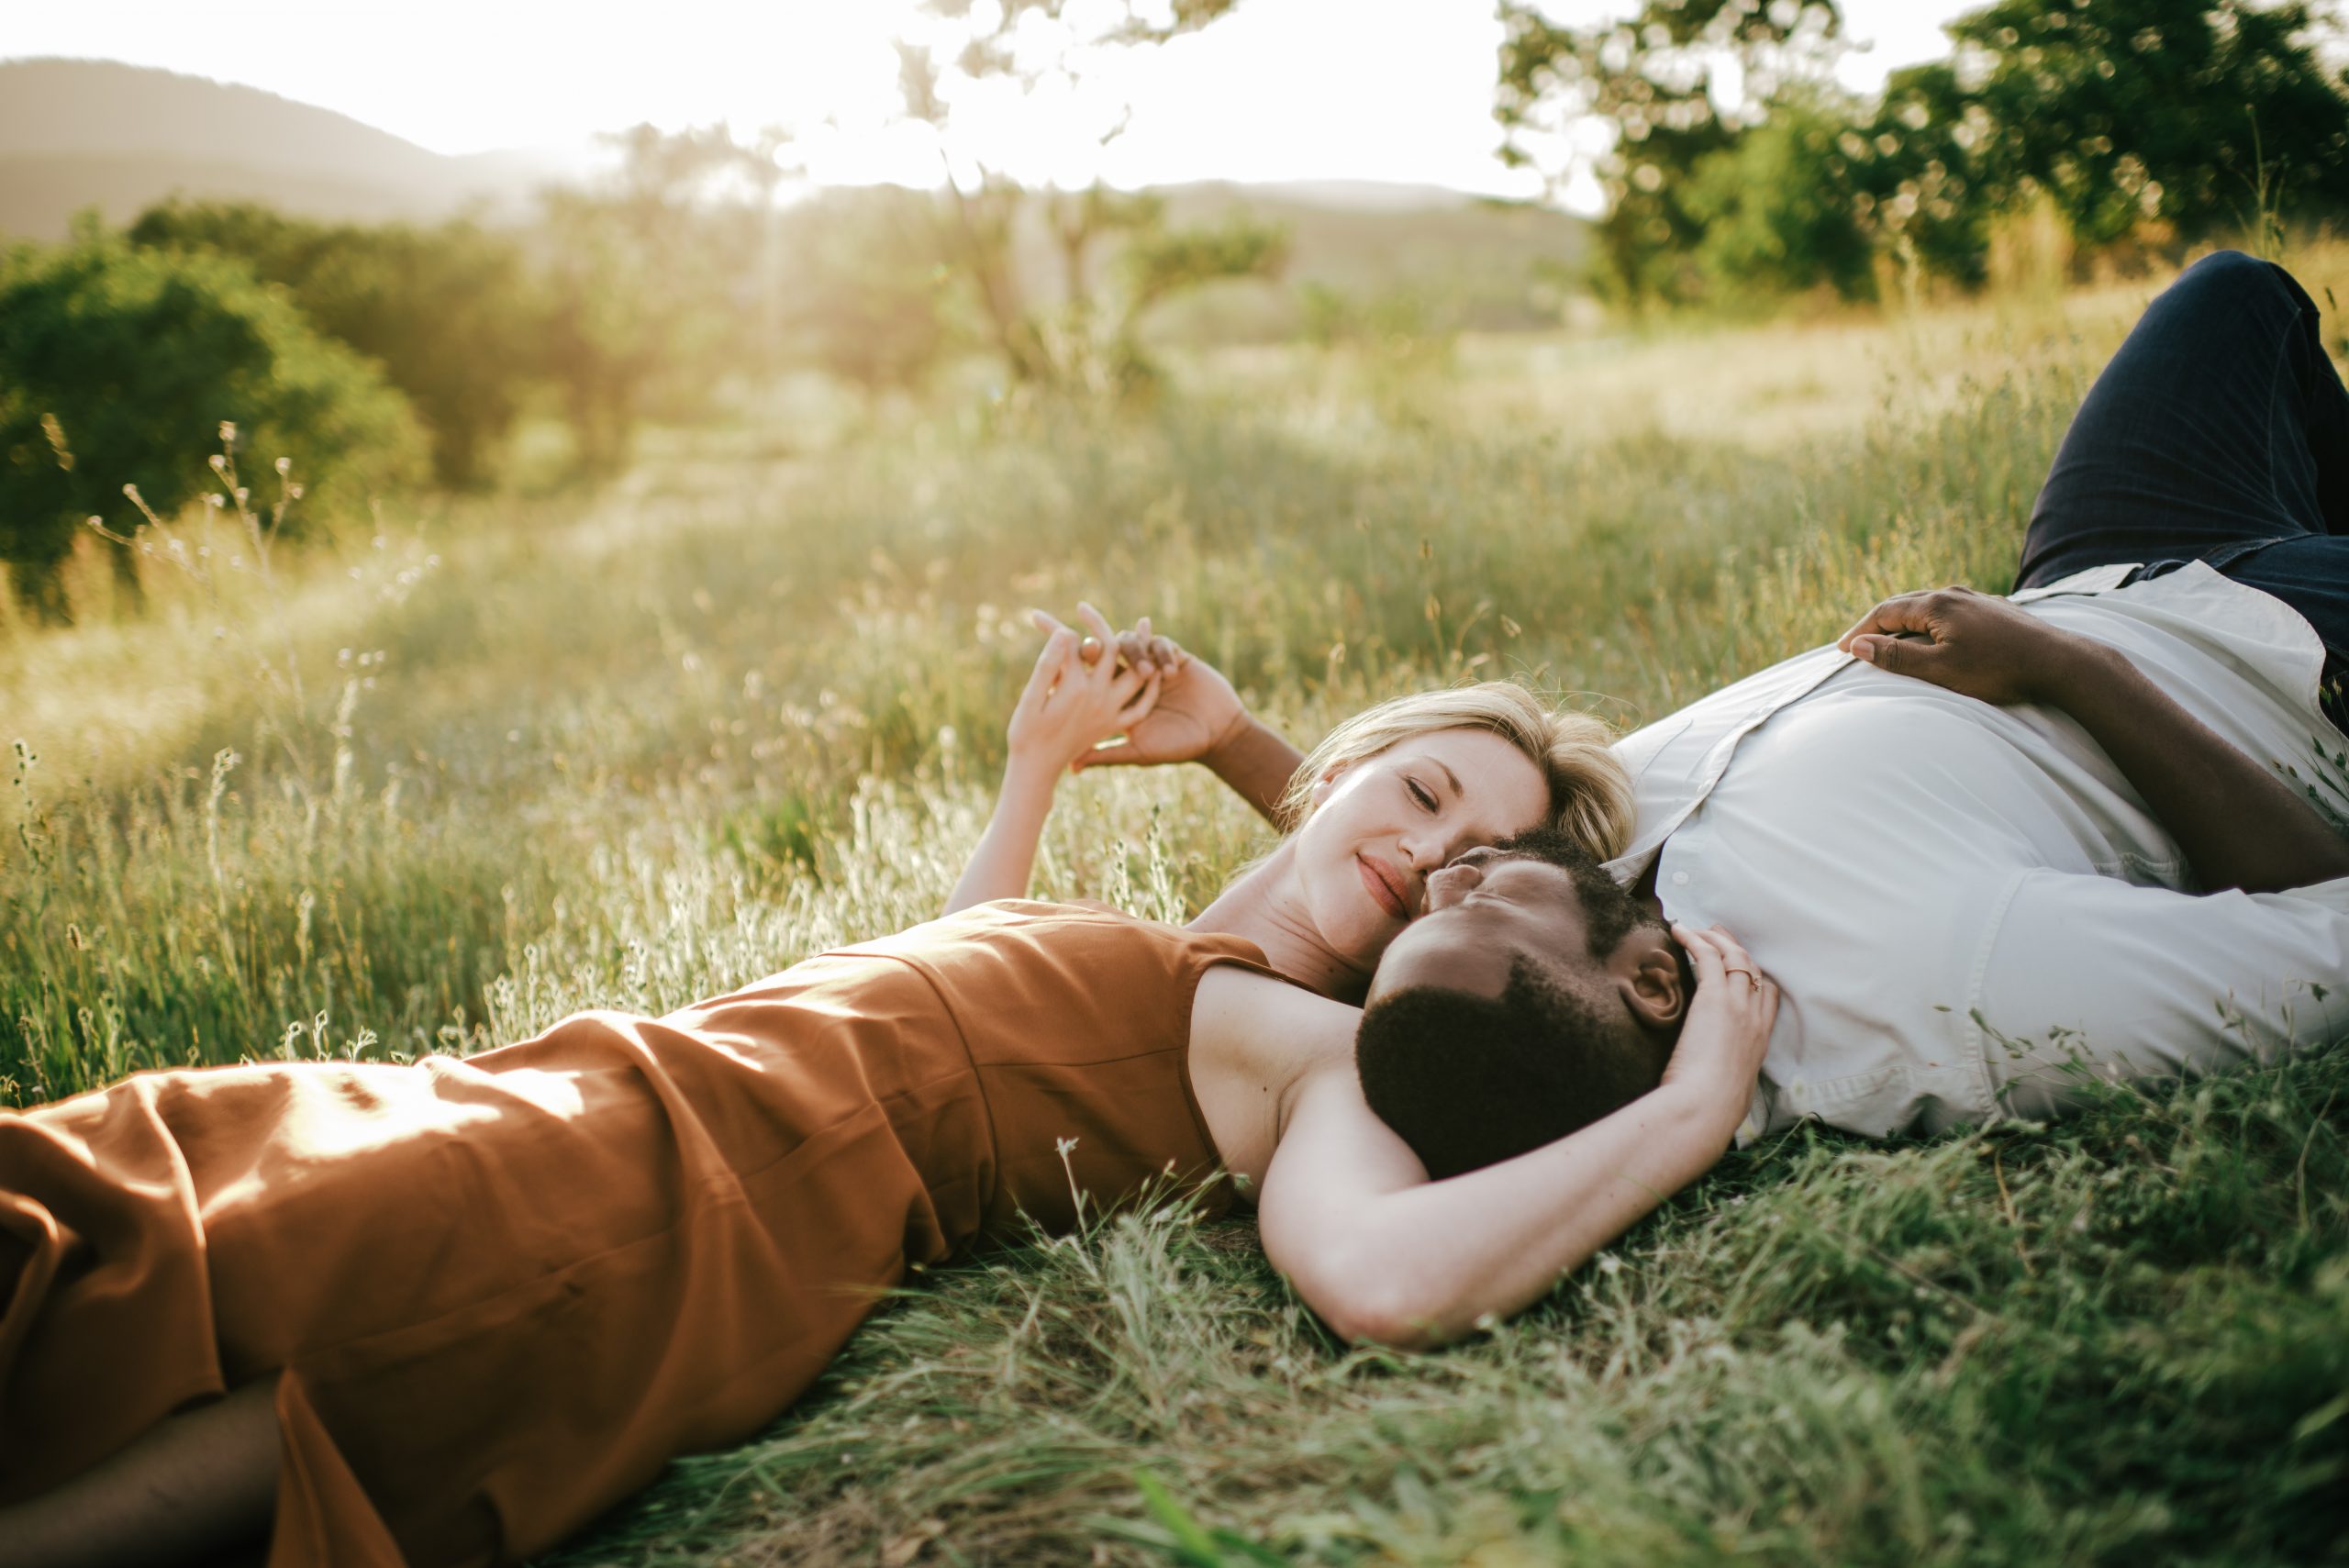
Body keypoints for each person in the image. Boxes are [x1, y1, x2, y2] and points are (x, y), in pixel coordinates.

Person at [0, 610, 1779, 1568]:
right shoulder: (1203, 955)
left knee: (254, 1318)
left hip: (674, 1180)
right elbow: (953, 965)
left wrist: (1690, 1103)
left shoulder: (1310, 1057)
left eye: (1470, 862)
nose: (1421, 855)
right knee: (164, 1236)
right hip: (616, 1089)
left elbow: (1382, 1277)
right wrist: (1058, 763)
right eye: (1417, 794)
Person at [1120, 250, 2349, 1163]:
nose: (1451, 876)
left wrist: (1232, 741)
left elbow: (1394, 852)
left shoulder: (1575, 904)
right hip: (2286, 662)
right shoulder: (1939, 981)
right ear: (1653, 990)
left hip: (2102, 562)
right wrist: (2070, 673)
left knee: (2235, 299)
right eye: (1478, 897)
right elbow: (2322, 920)